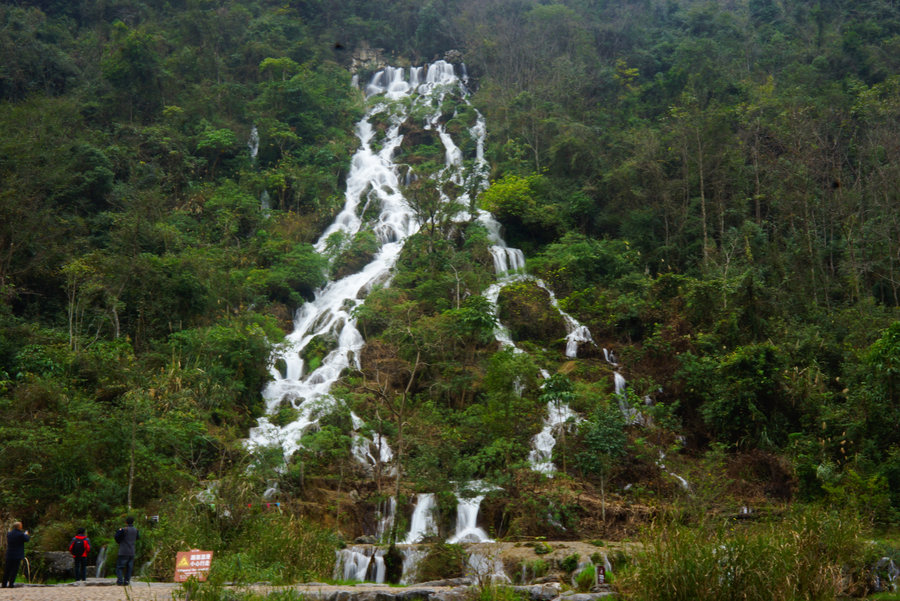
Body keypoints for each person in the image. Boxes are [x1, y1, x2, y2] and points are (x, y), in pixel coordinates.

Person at [2, 522, 30, 588]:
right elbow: (26, 539)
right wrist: (26, 534)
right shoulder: (21, 534)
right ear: (19, 527)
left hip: (9, 554)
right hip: (17, 555)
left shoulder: (9, 534)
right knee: (14, 570)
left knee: (7, 570)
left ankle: (4, 584)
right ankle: (11, 584)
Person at [114, 517, 139, 586]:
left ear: (126, 522)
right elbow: (138, 537)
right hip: (132, 551)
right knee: (129, 567)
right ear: (133, 522)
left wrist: (120, 542)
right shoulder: (136, 530)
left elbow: (116, 537)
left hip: (123, 551)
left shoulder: (123, 530)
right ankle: (127, 581)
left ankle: (120, 580)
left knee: (120, 567)